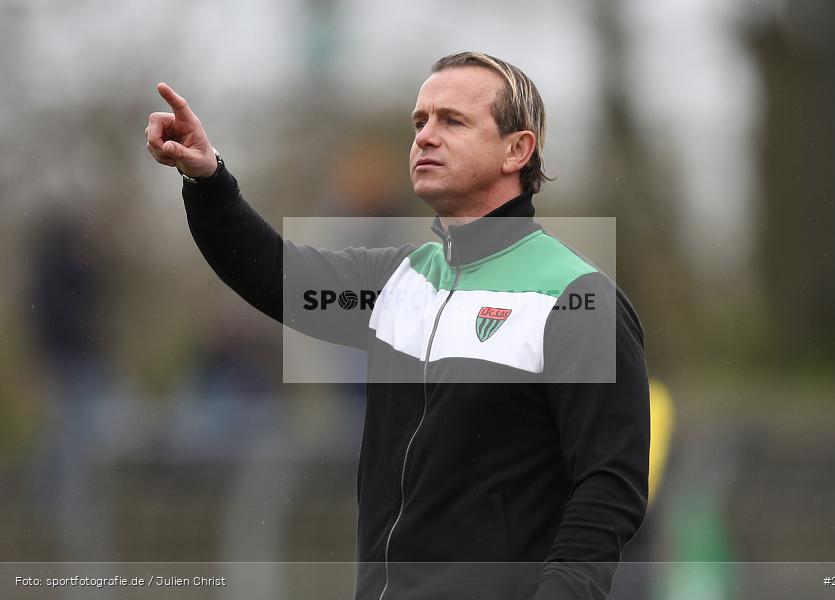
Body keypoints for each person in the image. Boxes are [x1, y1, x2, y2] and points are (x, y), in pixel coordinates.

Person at [146, 51, 650, 600]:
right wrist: (207, 177)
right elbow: (274, 274)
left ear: (517, 150)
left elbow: (610, 486)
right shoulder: (398, 280)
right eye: (420, 122)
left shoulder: (578, 298)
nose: (425, 136)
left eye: (452, 121)